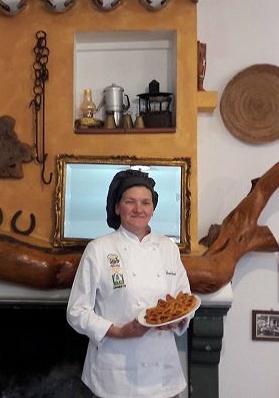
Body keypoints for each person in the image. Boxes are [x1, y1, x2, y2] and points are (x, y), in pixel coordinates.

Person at [66, 169, 193, 398]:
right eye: (130, 201)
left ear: (153, 209)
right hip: (115, 375)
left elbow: (185, 300)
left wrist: (178, 320)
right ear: (117, 207)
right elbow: (76, 311)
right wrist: (118, 332)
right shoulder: (99, 249)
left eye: (146, 202)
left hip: (162, 376)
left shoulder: (168, 248)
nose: (138, 209)